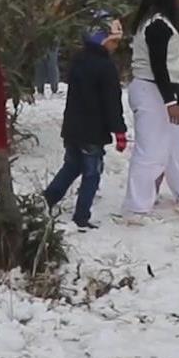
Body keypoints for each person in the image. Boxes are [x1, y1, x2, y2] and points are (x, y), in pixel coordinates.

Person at [124, 0, 179, 216]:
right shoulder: (157, 25)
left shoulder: (158, 22)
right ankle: (137, 205)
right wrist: (170, 101)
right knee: (151, 150)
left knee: (177, 144)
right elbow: (158, 66)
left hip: (158, 90)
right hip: (152, 91)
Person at [44, 15, 126, 231]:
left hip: (72, 127)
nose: (116, 46)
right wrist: (119, 130)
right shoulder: (106, 68)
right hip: (92, 132)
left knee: (71, 166)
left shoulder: (78, 60)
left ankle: (47, 200)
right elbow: (112, 102)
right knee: (92, 173)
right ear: (101, 39)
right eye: (114, 41)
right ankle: (81, 216)